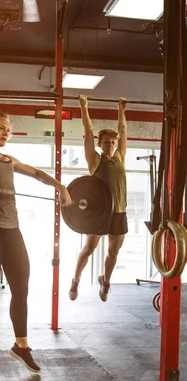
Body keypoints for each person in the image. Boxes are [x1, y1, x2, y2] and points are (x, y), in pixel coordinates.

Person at [0, 110, 71, 381]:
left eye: (8, 129)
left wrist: (60, 186)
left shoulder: (9, 160)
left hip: (12, 230)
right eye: (0, 128)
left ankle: (21, 345)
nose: (6, 133)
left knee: (21, 288)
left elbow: (36, 174)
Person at [69, 95, 128, 303]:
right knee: (88, 249)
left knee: (114, 251)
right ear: (100, 144)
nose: (110, 145)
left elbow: (122, 131)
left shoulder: (120, 157)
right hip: (99, 214)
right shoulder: (94, 160)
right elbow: (87, 130)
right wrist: (83, 106)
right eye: (106, 142)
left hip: (119, 212)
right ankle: (75, 280)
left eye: (112, 143)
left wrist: (121, 109)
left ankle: (105, 281)